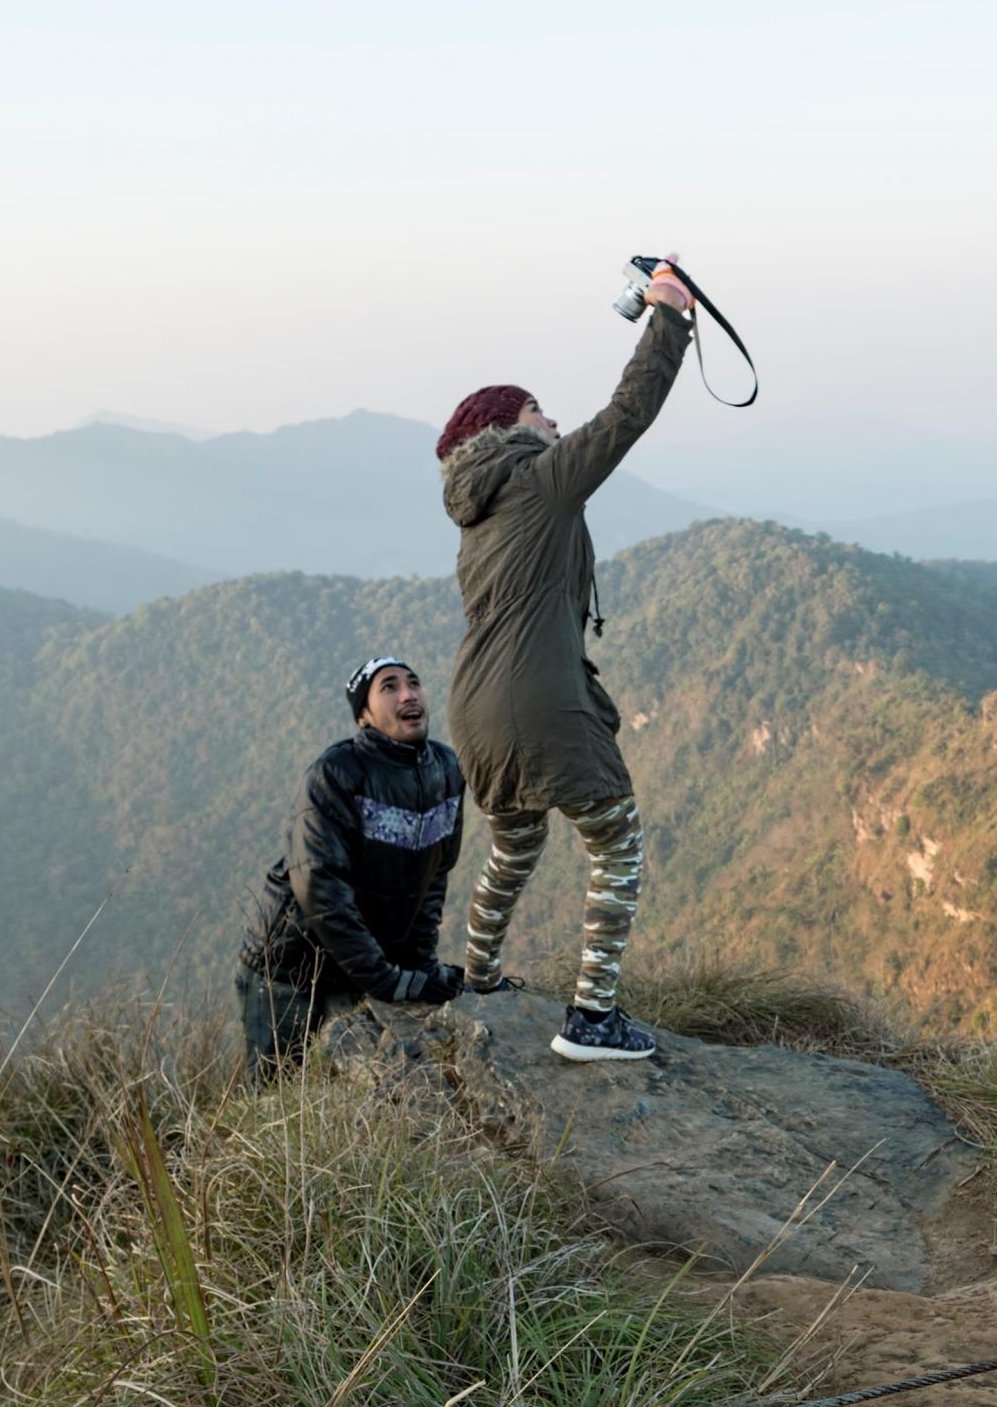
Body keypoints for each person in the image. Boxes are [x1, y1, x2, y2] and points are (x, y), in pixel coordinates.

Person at [437, 257, 696, 1062]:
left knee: (514, 843)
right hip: (538, 699)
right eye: (539, 410)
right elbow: (625, 415)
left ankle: (477, 974)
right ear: (509, 428)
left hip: (473, 708)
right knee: (616, 838)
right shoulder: (543, 483)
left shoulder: (475, 519)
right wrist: (670, 317)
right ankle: (591, 1018)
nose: (553, 420)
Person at [236, 658, 467, 1076]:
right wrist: (387, 980)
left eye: (414, 683)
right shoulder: (338, 774)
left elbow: (433, 878)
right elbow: (321, 890)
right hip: (290, 966)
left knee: (343, 1083)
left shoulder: (446, 771)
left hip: (357, 965)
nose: (408, 693)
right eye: (389, 687)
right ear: (364, 716)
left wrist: (419, 965)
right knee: (276, 1092)